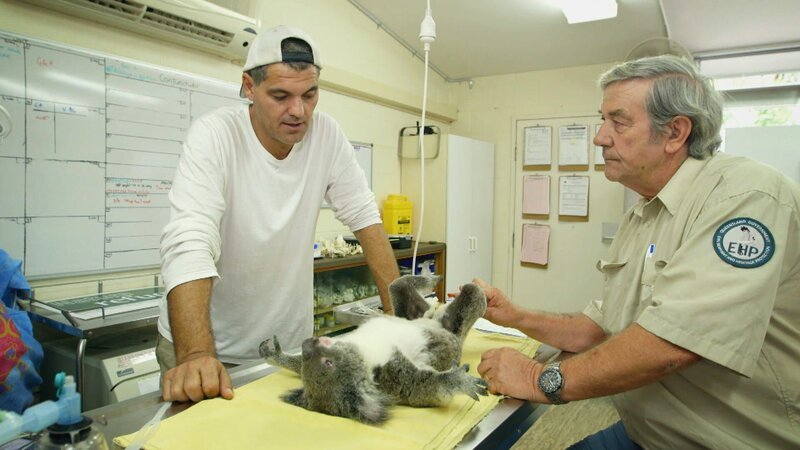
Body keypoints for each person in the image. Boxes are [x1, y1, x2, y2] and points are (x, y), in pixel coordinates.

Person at [476, 55, 800, 449]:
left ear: (675, 133)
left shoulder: (746, 196)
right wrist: (515, 315)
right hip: (648, 432)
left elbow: (675, 343)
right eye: (602, 120)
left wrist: (535, 378)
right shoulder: (642, 216)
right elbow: (598, 327)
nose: (600, 137)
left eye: (619, 121)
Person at [157, 25, 400, 403]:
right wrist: (195, 354)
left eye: (310, 94)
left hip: (288, 351)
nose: (298, 111)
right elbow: (190, 239)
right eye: (281, 96)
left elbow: (365, 219)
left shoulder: (327, 136)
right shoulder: (216, 136)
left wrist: (397, 313)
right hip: (207, 350)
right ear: (249, 88)